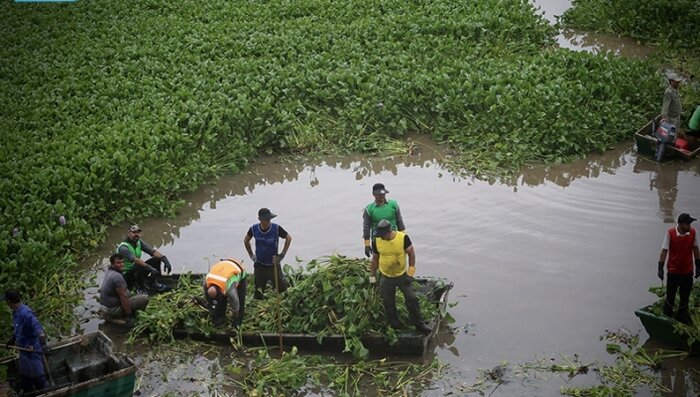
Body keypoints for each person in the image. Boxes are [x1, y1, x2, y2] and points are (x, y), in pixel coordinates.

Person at [369, 219, 431, 335]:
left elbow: (411, 253)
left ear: (389, 231)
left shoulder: (403, 238)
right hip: (386, 277)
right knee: (388, 302)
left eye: (383, 235)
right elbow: (375, 259)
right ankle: (395, 324)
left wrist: (410, 273)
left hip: (402, 275)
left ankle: (419, 324)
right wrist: (372, 276)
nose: (381, 237)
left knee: (411, 298)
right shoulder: (376, 241)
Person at [657, 213, 700, 324]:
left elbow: (695, 249)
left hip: (687, 272)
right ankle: (667, 318)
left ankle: (681, 318)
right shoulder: (670, 233)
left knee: (684, 298)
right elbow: (664, 250)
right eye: (687, 224)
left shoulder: (693, 233)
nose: (690, 226)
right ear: (680, 224)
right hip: (673, 272)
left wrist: (698, 265)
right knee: (670, 297)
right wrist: (660, 267)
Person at [3, 290, 48, 392]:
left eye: (7, 302)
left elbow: (38, 328)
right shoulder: (16, 313)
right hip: (23, 349)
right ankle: (28, 391)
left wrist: (43, 344)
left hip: (31, 349)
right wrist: (13, 339)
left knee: (38, 375)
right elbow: (19, 329)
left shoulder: (25, 313)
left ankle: (46, 392)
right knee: (25, 375)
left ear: (10, 302)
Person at [244, 208, 292, 299]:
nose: (269, 221)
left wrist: (281, 255)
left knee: (281, 288)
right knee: (258, 290)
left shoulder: (276, 228)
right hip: (260, 265)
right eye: (267, 219)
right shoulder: (254, 229)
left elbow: (288, 238)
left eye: (270, 219)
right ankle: (259, 304)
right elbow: (246, 240)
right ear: (261, 220)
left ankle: (283, 301)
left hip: (273, 265)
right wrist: (251, 255)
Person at [116, 224, 172, 292]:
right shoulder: (123, 247)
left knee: (156, 259)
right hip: (125, 276)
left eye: (138, 232)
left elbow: (152, 252)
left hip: (136, 271)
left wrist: (164, 259)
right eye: (134, 232)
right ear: (128, 233)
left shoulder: (139, 242)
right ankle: (140, 288)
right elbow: (135, 260)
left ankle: (153, 282)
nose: (136, 235)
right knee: (138, 264)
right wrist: (150, 268)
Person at [99, 253, 150, 327]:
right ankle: (135, 316)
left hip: (104, 307)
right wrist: (128, 315)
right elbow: (124, 298)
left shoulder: (109, 271)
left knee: (131, 294)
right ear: (113, 264)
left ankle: (127, 313)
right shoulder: (117, 277)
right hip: (112, 310)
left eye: (122, 262)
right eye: (118, 263)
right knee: (145, 298)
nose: (122, 264)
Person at [362, 183, 406, 257]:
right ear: (374, 194)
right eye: (379, 194)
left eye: (383, 194)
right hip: (378, 241)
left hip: (393, 238)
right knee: (380, 262)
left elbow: (399, 221)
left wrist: (404, 238)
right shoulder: (369, 209)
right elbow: (366, 227)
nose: (382, 196)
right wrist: (367, 244)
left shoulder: (393, 204)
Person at [203, 258, 247, 328]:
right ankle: (219, 319)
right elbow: (207, 296)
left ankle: (238, 322)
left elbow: (235, 304)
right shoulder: (207, 281)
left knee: (240, 300)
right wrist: (211, 307)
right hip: (223, 268)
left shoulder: (229, 289)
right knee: (219, 303)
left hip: (238, 271)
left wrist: (235, 317)